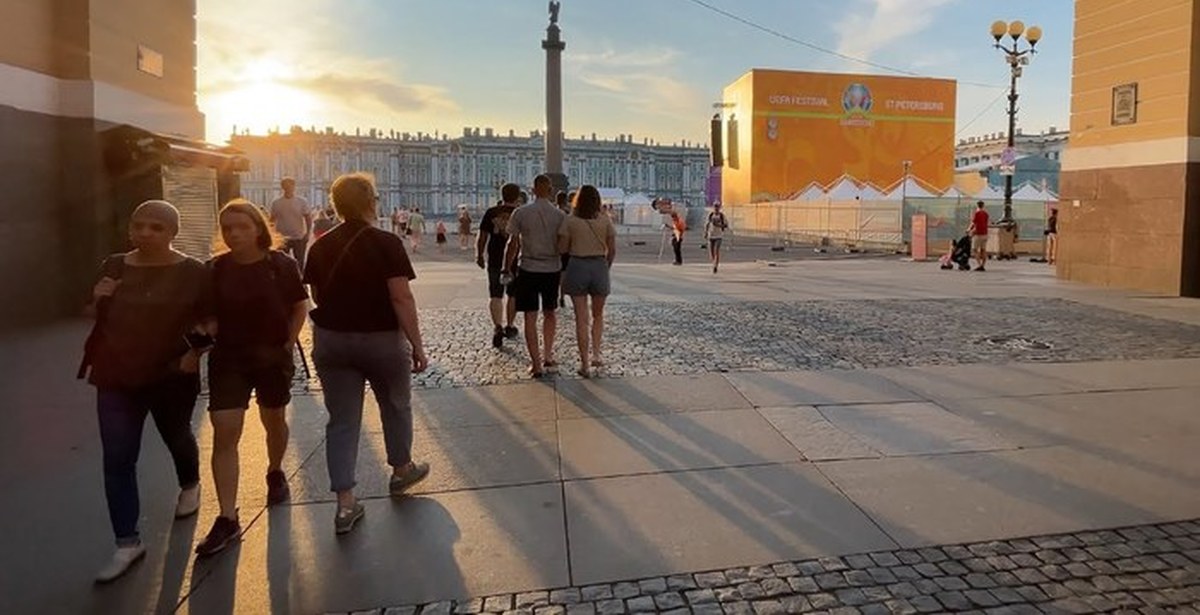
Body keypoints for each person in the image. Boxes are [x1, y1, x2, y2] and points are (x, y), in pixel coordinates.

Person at [82, 200, 213, 582]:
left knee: (176, 435)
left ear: (172, 232)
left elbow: (210, 320)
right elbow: (90, 313)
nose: (145, 233)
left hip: (170, 373)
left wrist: (195, 351)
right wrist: (100, 298)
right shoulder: (114, 265)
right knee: (118, 457)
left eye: (156, 227)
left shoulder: (192, 271)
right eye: (139, 225)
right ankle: (127, 543)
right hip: (115, 374)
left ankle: (189, 483)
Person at [303, 173, 429, 535]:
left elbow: (316, 292)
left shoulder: (321, 245)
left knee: (341, 421)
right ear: (371, 202)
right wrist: (417, 344)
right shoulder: (386, 243)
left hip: (332, 340)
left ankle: (345, 504)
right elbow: (401, 297)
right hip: (381, 340)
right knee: (395, 403)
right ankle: (402, 470)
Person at [194, 200, 308, 557]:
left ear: (258, 228)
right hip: (229, 360)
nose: (233, 234)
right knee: (225, 430)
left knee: (273, 419)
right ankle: (227, 516)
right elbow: (206, 314)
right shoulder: (214, 269)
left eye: (241, 227)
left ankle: (274, 471)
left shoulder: (281, 265)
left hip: (272, 357)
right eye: (227, 228)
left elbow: (299, 306)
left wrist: (287, 344)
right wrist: (202, 334)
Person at [503, 174, 567, 377]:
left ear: (532, 190)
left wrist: (507, 267)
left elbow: (512, 243)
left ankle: (536, 364)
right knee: (550, 313)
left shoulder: (521, 213)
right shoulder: (560, 216)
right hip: (552, 269)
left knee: (530, 316)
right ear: (550, 192)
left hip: (528, 268)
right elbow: (564, 246)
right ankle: (548, 355)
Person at [557, 185, 616, 377]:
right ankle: (597, 354)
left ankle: (584, 363)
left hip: (577, 266)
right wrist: (605, 266)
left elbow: (563, 248)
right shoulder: (605, 221)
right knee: (598, 315)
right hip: (599, 265)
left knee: (581, 319)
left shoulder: (570, 221)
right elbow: (612, 249)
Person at [477, 185, 521, 348]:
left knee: (495, 294)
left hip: (495, 259)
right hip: (515, 260)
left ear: (502, 195)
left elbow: (482, 237)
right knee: (512, 294)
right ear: (517, 196)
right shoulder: (520, 213)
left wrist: (479, 254)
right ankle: (510, 325)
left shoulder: (491, 212)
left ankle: (497, 326)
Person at [269, 177, 312, 271]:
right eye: (286, 186)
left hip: (299, 237)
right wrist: (272, 235)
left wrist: (308, 233)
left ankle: (300, 282)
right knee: (281, 262)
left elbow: (308, 218)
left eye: (290, 186)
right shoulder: (276, 203)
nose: (288, 188)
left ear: (294, 187)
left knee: (299, 261)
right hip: (282, 238)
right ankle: (284, 282)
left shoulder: (302, 201)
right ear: (282, 187)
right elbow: (271, 221)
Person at [705, 202, 729, 274]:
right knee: (711, 252)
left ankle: (715, 265)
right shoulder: (710, 215)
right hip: (711, 235)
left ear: (719, 207)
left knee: (716, 251)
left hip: (718, 236)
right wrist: (705, 233)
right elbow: (707, 224)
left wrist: (719, 225)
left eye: (717, 206)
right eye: (715, 206)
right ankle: (714, 263)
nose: (716, 208)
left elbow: (726, 225)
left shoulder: (722, 216)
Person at [969, 200, 990, 272]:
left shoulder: (977, 213)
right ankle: (983, 265)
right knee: (983, 250)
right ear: (983, 206)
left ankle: (979, 265)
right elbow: (986, 223)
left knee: (974, 250)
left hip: (978, 234)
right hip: (985, 234)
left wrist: (969, 230)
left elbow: (973, 223)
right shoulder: (986, 214)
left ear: (977, 206)